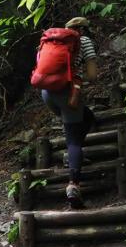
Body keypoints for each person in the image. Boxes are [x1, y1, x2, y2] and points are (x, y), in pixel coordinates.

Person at [40, 16, 97, 209]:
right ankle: (73, 185)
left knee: (87, 117)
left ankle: (73, 156)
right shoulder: (84, 41)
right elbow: (92, 75)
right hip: (68, 94)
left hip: (47, 93)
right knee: (73, 139)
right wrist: (83, 78)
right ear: (83, 29)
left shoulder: (52, 42)